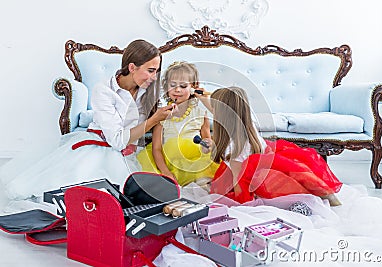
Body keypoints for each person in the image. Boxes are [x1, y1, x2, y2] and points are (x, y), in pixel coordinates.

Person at [0, 39, 174, 200]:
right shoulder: (104, 91)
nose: (154, 77)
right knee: (78, 192)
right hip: (101, 145)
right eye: (150, 71)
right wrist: (154, 120)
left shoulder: (149, 90)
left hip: (131, 150)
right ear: (132, 67)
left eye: (157, 71)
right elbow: (116, 141)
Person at [207, 86, 343, 206]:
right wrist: (203, 96)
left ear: (221, 115)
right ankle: (322, 192)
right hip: (268, 164)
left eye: (213, 108)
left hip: (256, 180)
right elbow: (224, 110)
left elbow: (239, 180)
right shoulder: (249, 126)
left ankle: (307, 199)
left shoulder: (232, 147)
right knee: (296, 171)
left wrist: (242, 203)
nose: (211, 110)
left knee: (285, 188)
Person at [136, 61, 219, 186]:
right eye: (173, 85)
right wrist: (166, 172)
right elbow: (157, 148)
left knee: (205, 176)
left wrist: (208, 144)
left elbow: (208, 137)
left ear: (193, 87)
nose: (177, 90)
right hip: (170, 160)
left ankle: (202, 184)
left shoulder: (200, 112)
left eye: (183, 86)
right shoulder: (162, 114)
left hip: (193, 159)